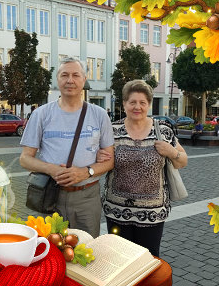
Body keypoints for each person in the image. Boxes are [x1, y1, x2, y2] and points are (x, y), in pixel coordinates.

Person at [19, 57, 114, 238]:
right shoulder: (41, 114)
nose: (70, 80)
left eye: (75, 75)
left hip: (87, 198)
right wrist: (51, 169)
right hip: (50, 195)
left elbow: (110, 161)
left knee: (86, 250)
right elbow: (25, 158)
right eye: (65, 75)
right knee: (50, 252)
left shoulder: (99, 115)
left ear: (84, 80)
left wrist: (86, 172)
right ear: (57, 80)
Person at [97, 80, 188, 257]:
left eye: (142, 102)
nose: (137, 107)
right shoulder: (112, 130)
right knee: (119, 259)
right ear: (124, 104)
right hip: (117, 211)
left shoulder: (163, 130)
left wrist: (171, 152)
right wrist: (98, 157)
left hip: (152, 213)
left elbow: (182, 161)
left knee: (149, 259)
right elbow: (101, 160)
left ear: (149, 105)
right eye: (132, 102)